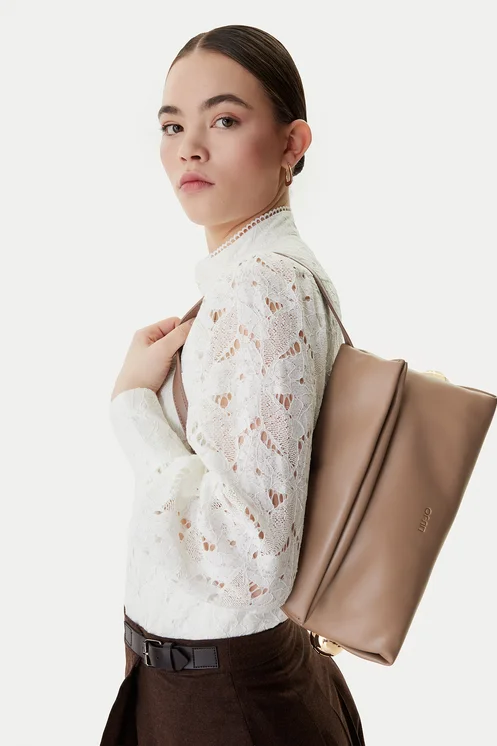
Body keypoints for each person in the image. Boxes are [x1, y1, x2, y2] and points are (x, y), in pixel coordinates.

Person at [100, 23, 366, 746]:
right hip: (208, 686)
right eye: (172, 126)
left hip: (224, 704)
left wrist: (133, 408)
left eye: (223, 120)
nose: (190, 147)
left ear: (291, 144)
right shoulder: (251, 277)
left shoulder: (261, 287)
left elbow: (252, 559)